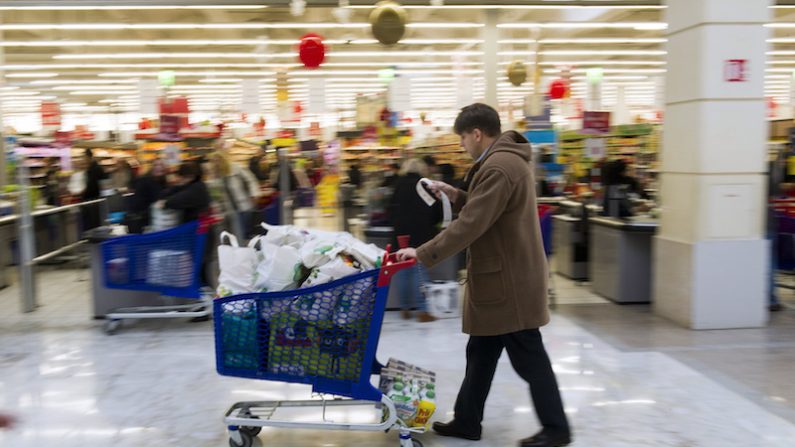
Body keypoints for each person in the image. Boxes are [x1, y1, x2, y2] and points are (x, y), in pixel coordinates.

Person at [396, 103, 571, 447]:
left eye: (462, 137)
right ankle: (467, 420)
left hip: (510, 281)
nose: (461, 145)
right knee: (480, 351)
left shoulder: (499, 166)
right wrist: (456, 194)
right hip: (501, 278)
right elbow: (489, 208)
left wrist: (424, 252)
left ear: (477, 133)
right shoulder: (500, 162)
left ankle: (557, 429)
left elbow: (473, 224)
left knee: (529, 356)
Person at [389, 158, 442, 323]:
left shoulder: (397, 185)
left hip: (401, 235)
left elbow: (389, 210)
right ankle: (423, 310)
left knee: (403, 270)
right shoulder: (425, 186)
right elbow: (437, 211)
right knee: (420, 271)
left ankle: (405, 308)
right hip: (421, 233)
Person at [210, 152, 260, 239]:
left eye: (218, 160)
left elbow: (251, 180)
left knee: (243, 232)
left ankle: (246, 245)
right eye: (214, 162)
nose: (217, 164)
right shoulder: (214, 177)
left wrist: (254, 194)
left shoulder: (236, 168)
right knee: (238, 234)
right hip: (229, 210)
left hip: (244, 205)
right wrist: (217, 210)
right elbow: (216, 197)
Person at [126, 159, 167, 233]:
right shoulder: (144, 181)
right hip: (142, 221)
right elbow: (139, 202)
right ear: (151, 168)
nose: (158, 167)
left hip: (154, 218)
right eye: (156, 165)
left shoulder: (163, 182)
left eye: (161, 165)